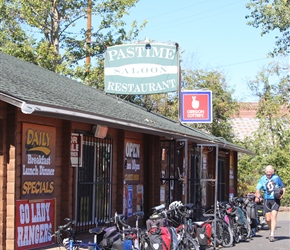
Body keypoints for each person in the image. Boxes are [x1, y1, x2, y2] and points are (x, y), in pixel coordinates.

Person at [255, 165, 286, 242]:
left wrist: (282, 195)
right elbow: (258, 188)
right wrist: (257, 195)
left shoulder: (276, 178)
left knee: (274, 216)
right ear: (265, 172)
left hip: (275, 200)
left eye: (270, 172)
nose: (268, 173)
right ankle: (271, 229)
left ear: (272, 172)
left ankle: (272, 234)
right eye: (267, 172)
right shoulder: (262, 179)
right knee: (268, 219)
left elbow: (283, 187)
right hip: (266, 200)